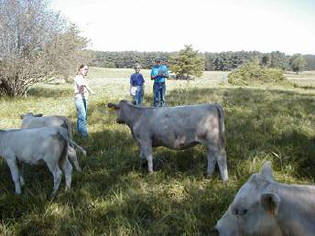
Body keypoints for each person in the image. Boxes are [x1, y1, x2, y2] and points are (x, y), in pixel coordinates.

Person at [74, 64, 95, 138]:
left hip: (84, 99)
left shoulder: (83, 78)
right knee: (82, 117)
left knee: (83, 117)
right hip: (79, 99)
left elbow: (83, 86)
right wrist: (91, 91)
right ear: (80, 69)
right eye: (85, 69)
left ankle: (80, 134)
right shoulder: (78, 77)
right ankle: (84, 136)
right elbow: (82, 85)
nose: (86, 71)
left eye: (87, 69)